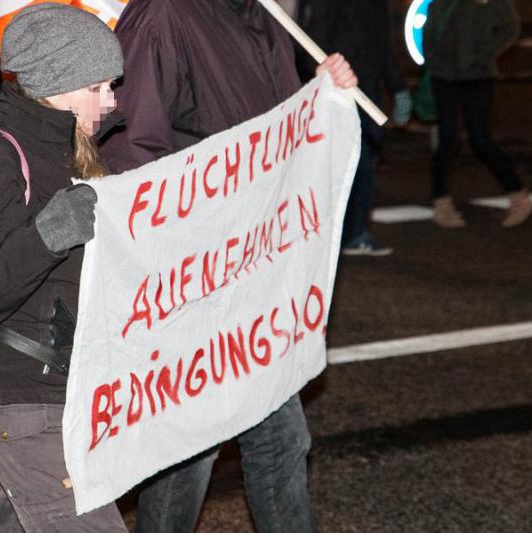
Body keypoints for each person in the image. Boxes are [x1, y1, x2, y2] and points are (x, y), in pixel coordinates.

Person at [99, 0, 357, 531]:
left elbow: (277, 127)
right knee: (197, 450)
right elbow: (130, 150)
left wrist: (321, 92)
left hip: (254, 267)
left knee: (273, 443)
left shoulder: (263, 16)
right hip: (195, 271)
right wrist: (165, 260)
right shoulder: (164, 15)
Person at [0, 4, 127, 531]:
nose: (112, 100)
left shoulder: (75, 153)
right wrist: (48, 235)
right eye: (99, 87)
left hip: (63, 387)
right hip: (20, 394)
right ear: (55, 84)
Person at [300, 0, 410, 256]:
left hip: (365, 87)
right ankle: (344, 233)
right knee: (350, 164)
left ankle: (351, 232)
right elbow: (315, 40)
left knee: (364, 164)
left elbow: (382, 43)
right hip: (343, 88)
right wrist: (320, 77)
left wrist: (397, 85)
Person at [423, 0, 532, 228]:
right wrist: (433, 58)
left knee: (481, 140)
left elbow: (510, 27)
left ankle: (519, 197)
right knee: (447, 140)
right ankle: (441, 204)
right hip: (443, 75)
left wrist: (482, 54)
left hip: (477, 75)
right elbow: (431, 26)